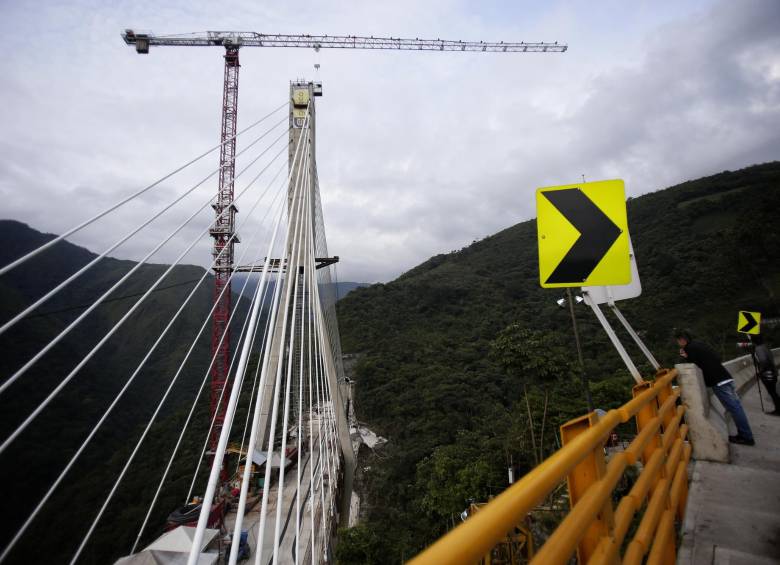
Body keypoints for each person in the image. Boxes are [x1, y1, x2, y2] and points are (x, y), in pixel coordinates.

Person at [674, 329, 755, 446]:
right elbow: (713, 357)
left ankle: (746, 437)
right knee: (736, 407)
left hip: (719, 382)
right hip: (725, 377)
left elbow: (693, 366)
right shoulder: (699, 344)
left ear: (682, 340)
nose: (678, 343)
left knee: (735, 408)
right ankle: (745, 435)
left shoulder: (689, 348)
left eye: (678, 341)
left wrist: (685, 356)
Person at [750, 334, 780, 415]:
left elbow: (763, 361)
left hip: (767, 374)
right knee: (774, 392)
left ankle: (778, 410)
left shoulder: (758, 349)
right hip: (773, 372)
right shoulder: (764, 347)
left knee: (772, 393)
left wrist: (761, 371)